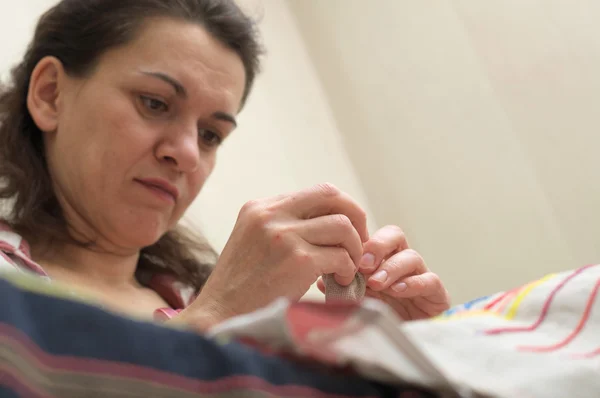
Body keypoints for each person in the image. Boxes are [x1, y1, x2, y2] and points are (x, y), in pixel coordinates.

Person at [0, 0, 450, 334]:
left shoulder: (219, 305)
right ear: (50, 94)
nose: (188, 154)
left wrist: (396, 357)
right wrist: (214, 321)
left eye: (211, 134)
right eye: (154, 103)